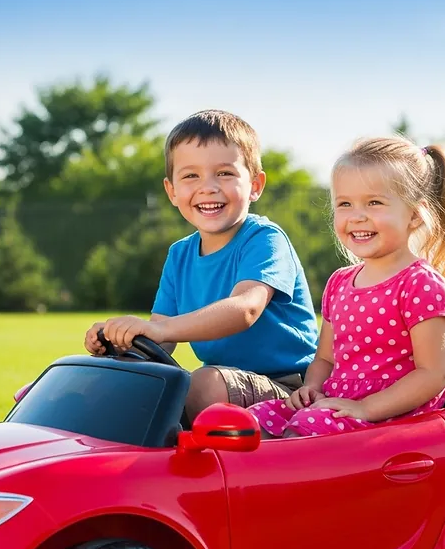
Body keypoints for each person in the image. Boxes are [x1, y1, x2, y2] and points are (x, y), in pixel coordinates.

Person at [83, 109, 319, 423]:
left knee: (204, 384)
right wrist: (120, 342)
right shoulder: (180, 254)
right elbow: (161, 338)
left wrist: (160, 328)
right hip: (224, 381)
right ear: (172, 191)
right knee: (113, 381)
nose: (208, 187)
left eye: (224, 173)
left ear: (255, 185)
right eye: (191, 176)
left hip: (289, 387)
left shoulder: (264, 239)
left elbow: (245, 309)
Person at [249, 135, 445, 437]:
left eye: (374, 203)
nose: (357, 216)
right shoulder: (339, 282)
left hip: (391, 416)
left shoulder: (420, 285)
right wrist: (311, 389)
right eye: (345, 204)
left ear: (415, 215)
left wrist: (366, 408)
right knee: (252, 421)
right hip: (337, 406)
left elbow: (432, 375)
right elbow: (325, 359)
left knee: (303, 432)